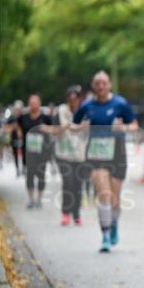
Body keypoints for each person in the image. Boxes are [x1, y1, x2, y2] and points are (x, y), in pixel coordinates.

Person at [72, 71, 139, 252]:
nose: (101, 86)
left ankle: (114, 223)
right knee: (104, 195)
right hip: (95, 155)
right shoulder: (87, 106)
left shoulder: (120, 104)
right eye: (97, 83)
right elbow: (73, 125)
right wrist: (81, 127)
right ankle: (106, 235)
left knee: (115, 198)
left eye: (104, 83)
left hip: (117, 154)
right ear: (93, 86)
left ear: (109, 85)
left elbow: (134, 125)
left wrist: (123, 127)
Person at [52, 86, 89, 225]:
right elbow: (58, 128)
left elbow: (90, 129)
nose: (72, 101)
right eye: (70, 99)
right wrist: (70, 127)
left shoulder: (85, 111)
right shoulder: (61, 111)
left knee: (78, 185)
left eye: (75, 99)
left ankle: (76, 214)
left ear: (80, 99)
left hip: (80, 154)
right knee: (68, 182)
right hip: (63, 153)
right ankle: (65, 213)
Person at [18, 94, 54, 208]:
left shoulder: (46, 118)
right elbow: (17, 126)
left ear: (39, 103)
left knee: (41, 174)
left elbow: (53, 130)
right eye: (31, 102)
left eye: (35, 102)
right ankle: (31, 199)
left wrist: (46, 129)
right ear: (29, 104)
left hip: (42, 151)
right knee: (29, 175)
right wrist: (19, 133)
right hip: (28, 151)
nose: (33, 105)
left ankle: (39, 199)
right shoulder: (23, 117)